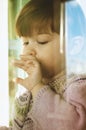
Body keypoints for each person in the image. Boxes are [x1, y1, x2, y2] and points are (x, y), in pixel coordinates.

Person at [0, 0, 86, 130]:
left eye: (42, 41)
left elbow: (71, 126)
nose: (29, 51)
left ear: (73, 46)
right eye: (25, 43)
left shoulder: (78, 86)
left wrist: (37, 87)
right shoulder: (27, 93)